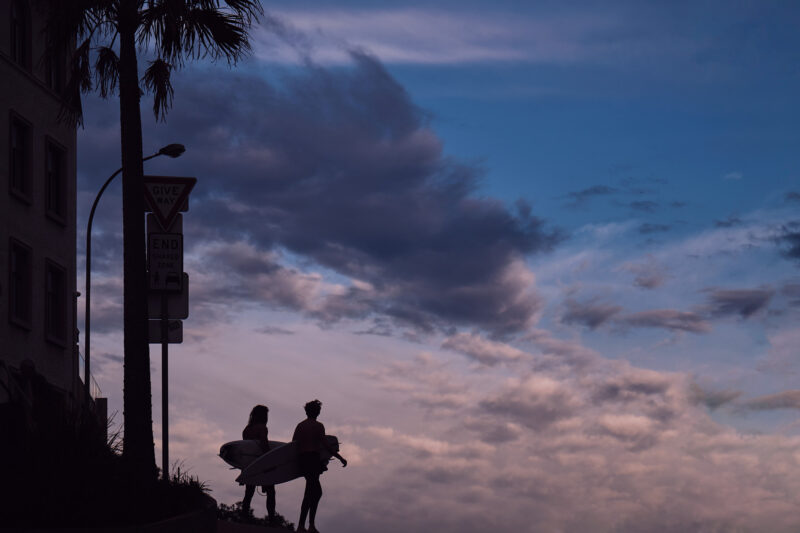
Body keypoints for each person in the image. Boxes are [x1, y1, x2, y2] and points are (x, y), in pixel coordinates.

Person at [293, 399, 346, 533]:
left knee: (311, 492)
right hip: (312, 459)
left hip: (303, 460)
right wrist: (340, 458)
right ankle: (306, 526)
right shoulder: (318, 426)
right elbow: (326, 446)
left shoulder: (300, 426)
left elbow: (293, 445)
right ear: (316, 411)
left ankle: (306, 525)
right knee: (315, 492)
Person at [241, 404, 277, 523]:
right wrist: (272, 460)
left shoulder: (246, 430)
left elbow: (246, 450)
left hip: (249, 465)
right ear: (263, 416)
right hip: (262, 464)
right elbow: (264, 445)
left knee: (249, 493)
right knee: (271, 492)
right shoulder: (262, 428)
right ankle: (271, 520)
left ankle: (243, 517)